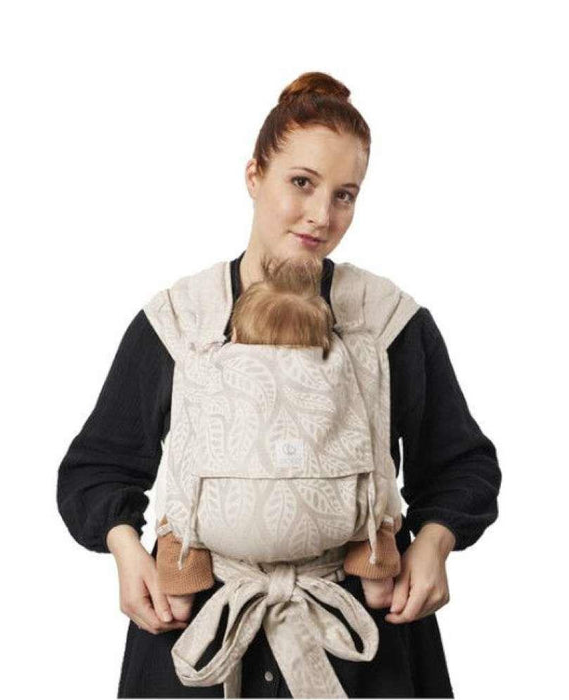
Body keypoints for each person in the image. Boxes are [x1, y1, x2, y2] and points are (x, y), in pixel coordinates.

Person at [57, 71, 502, 698]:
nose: (322, 216)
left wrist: (434, 543)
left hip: (361, 650)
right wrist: (127, 552)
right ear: (253, 175)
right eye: (302, 183)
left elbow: (463, 465)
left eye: (345, 195)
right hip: (201, 637)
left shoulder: (387, 323)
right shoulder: (181, 321)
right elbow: (95, 469)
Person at [154, 254, 402, 616]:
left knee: (176, 518)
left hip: (221, 526)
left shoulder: (209, 360)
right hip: (334, 523)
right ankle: (376, 580)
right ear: (323, 340)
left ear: (236, 335)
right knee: (376, 511)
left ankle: (180, 596)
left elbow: (184, 454)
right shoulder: (347, 362)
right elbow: (378, 467)